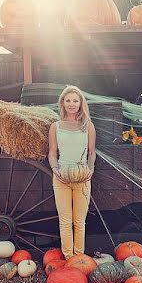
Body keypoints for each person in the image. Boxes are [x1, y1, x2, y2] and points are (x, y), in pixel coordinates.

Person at [48, 86, 97, 258]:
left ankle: (79, 258)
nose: (71, 104)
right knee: (65, 221)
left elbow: (92, 152)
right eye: (68, 100)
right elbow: (52, 153)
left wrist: (90, 169)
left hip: (82, 177)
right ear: (62, 103)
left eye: (75, 101)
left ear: (80, 103)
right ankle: (69, 259)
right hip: (61, 178)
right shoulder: (55, 127)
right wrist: (55, 169)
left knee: (79, 221)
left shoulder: (88, 126)